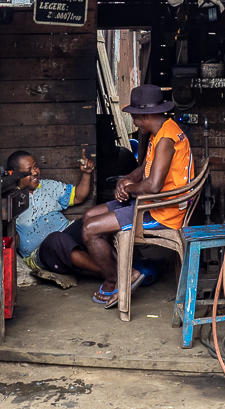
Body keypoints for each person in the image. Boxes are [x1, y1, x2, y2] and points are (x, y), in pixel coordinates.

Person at [81, 84, 194, 308]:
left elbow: (152, 186)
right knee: (90, 215)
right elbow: (145, 167)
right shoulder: (162, 131)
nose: (133, 121)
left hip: (161, 211)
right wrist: (126, 180)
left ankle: (116, 279)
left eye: (135, 116)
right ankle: (126, 272)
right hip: (151, 203)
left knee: (89, 229)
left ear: (147, 115)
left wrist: (129, 188)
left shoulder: (166, 140)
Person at [11, 149, 105, 278]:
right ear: (16, 174)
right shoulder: (11, 199)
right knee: (56, 239)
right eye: (29, 170)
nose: (35, 172)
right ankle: (110, 273)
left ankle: (127, 264)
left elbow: (78, 196)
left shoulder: (49, 186)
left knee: (90, 221)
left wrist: (86, 174)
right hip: (40, 252)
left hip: (66, 233)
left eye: (36, 167)